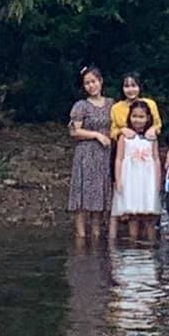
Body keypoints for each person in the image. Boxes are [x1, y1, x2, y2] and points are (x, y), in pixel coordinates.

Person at [67, 65, 114, 243]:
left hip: (104, 155)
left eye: (93, 82)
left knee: (98, 199)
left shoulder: (111, 104)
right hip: (86, 154)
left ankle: (96, 237)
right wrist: (95, 135)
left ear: (101, 82)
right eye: (87, 83)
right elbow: (74, 131)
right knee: (82, 198)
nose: (91, 86)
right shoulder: (81, 106)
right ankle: (80, 237)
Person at [111, 98, 162, 241]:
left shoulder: (152, 138)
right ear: (129, 117)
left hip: (147, 179)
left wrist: (157, 182)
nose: (137, 120)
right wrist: (118, 179)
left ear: (148, 118)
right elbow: (119, 159)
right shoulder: (124, 137)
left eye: (141, 117)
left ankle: (150, 248)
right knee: (132, 215)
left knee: (149, 216)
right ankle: (133, 247)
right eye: (134, 116)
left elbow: (156, 159)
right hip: (130, 179)